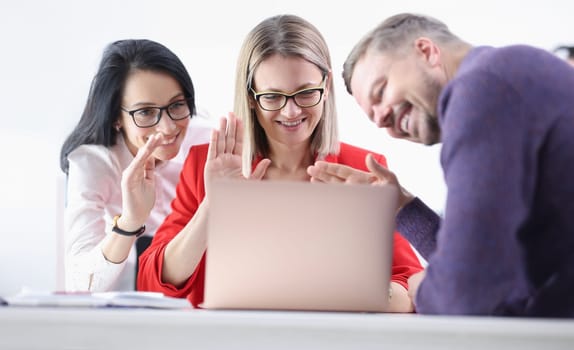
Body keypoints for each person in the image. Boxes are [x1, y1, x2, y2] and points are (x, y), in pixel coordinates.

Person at [138, 14, 423, 312]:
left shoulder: (362, 168)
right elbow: (152, 285)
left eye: (305, 93)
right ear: (250, 97)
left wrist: (360, 290)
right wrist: (213, 206)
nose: (290, 112)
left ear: (326, 88)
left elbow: (413, 289)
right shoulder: (206, 165)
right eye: (273, 96)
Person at [307, 13, 574, 317]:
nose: (381, 119)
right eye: (374, 118)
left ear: (426, 51)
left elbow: (464, 294)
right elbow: (486, 260)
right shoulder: (510, 73)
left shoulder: (482, 91)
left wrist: (421, 288)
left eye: (380, 92)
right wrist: (401, 207)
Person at [60, 39, 212, 292]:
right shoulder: (94, 163)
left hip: (195, 293)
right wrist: (130, 221)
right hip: (123, 304)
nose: (168, 127)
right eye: (145, 112)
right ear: (116, 117)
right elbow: (80, 286)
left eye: (177, 105)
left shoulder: (206, 140)